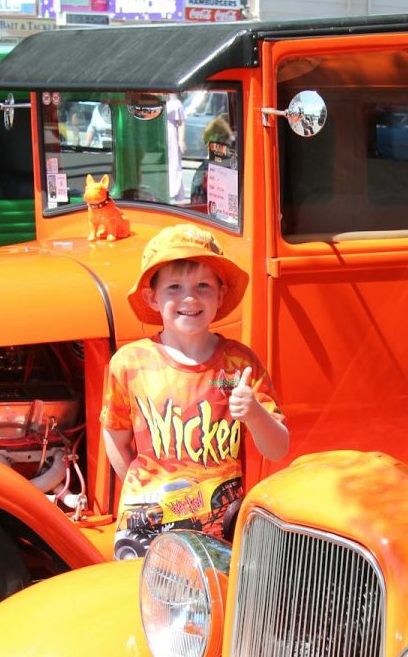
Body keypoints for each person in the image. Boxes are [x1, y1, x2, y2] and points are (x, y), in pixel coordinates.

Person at [101, 224, 288, 550]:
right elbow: (115, 438)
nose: (189, 298)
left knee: (220, 600)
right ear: (152, 297)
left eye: (203, 285)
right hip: (146, 529)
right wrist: (141, 492)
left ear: (220, 293)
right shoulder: (129, 364)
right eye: (174, 286)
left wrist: (255, 413)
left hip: (221, 530)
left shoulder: (239, 365)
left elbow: (277, 447)